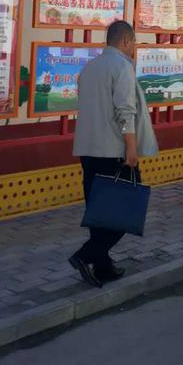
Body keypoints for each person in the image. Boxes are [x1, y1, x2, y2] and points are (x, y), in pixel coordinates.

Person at [69, 20, 158, 287]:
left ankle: (103, 266)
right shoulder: (122, 67)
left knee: (98, 212)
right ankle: (85, 256)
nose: (134, 48)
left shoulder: (90, 67)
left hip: (87, 150)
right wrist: (131, 148)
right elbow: (125, 111)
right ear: (126, 41)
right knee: (126, 212)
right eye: (134, 43)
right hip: (113, 151)